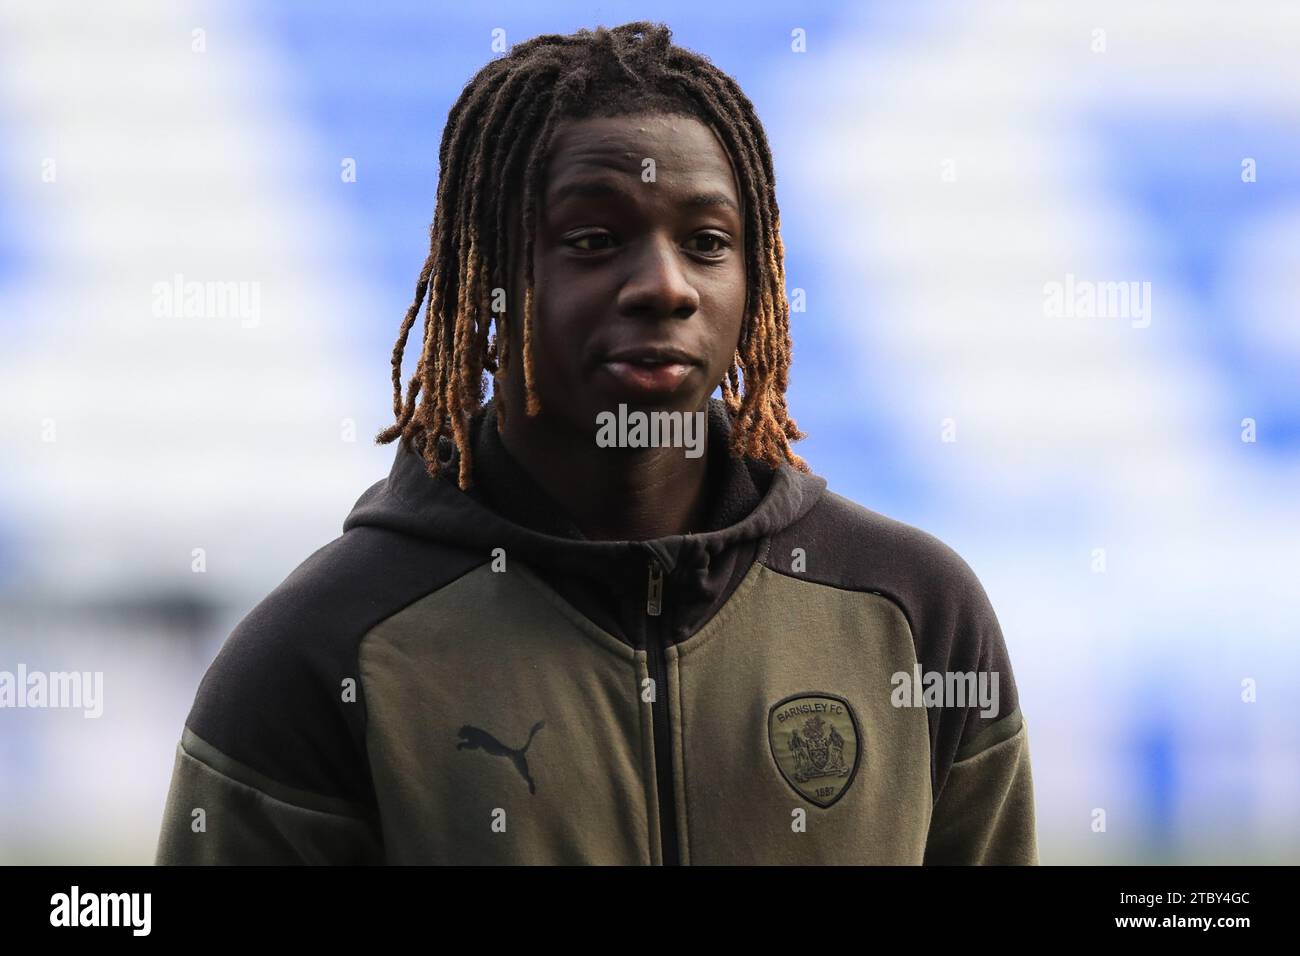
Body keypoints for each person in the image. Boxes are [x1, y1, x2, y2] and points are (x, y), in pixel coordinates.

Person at [155, 21, 1037, 865]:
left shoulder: (915, 615)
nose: (665, 286)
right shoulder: (324, 653)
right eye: (594, 240)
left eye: (706, 243)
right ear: (490, 279)